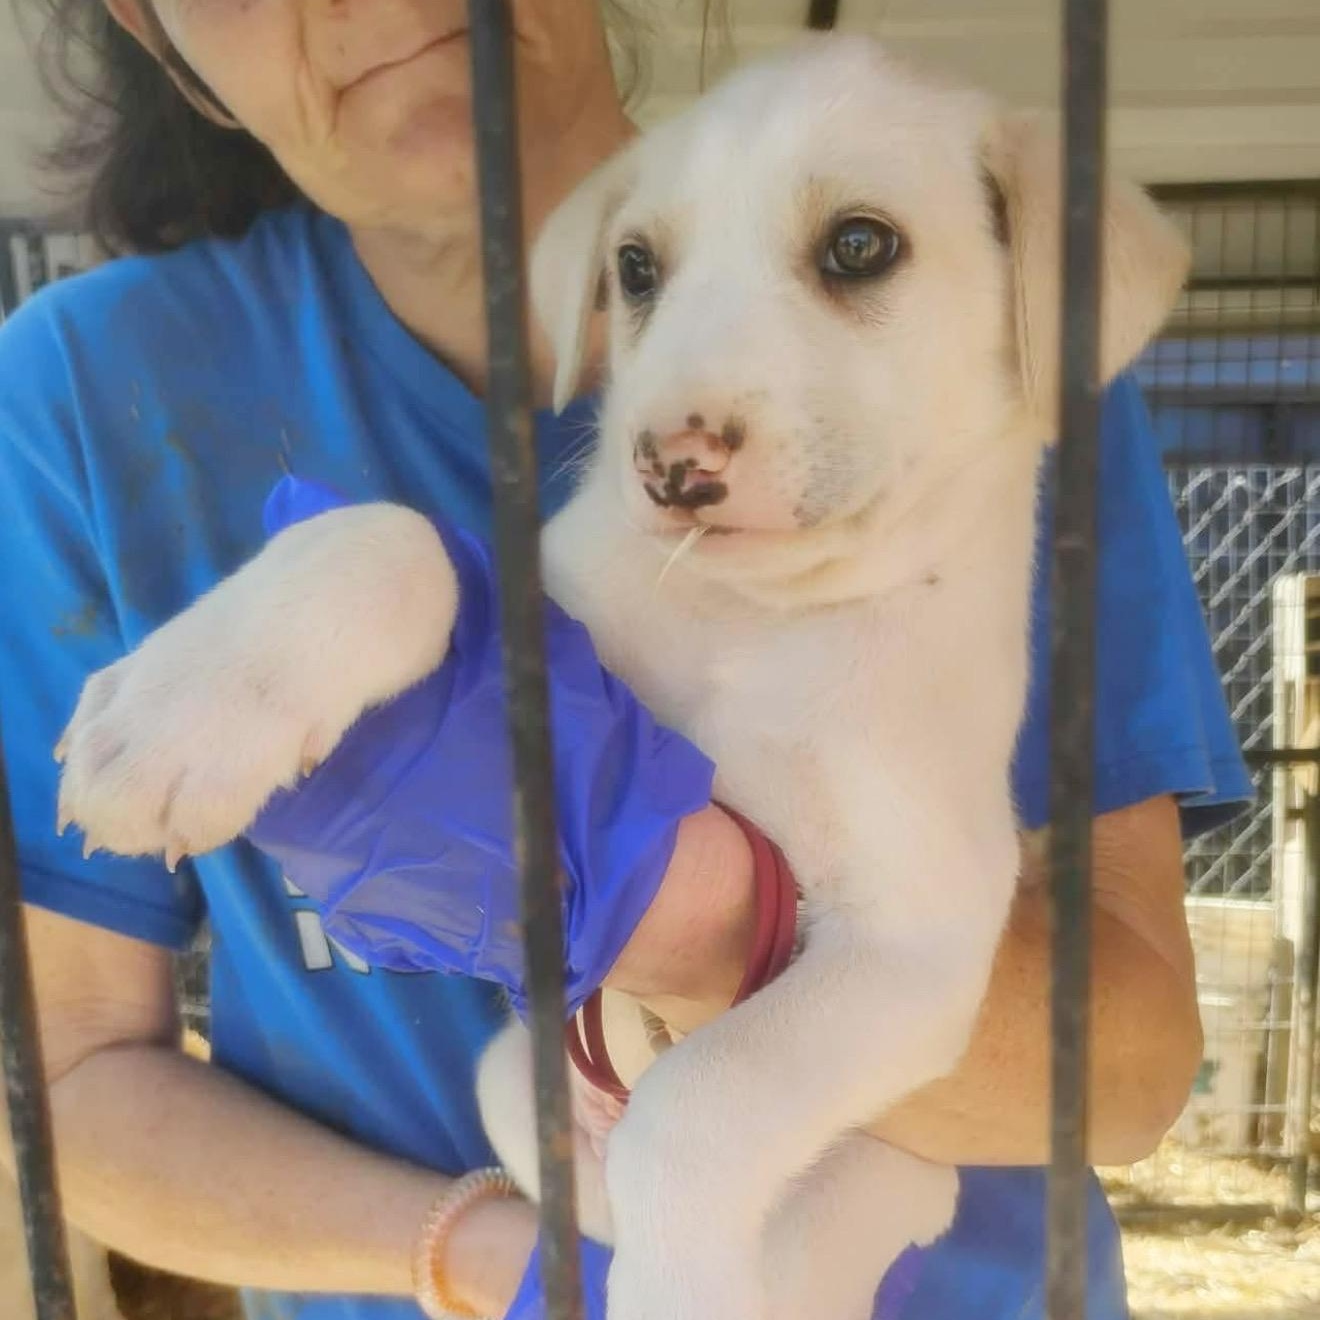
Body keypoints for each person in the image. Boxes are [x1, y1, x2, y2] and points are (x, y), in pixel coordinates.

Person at [0, 3, 1249, 1319]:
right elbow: (71, 1081)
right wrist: (490, 1258)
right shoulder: (81, 399)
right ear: (155, 29)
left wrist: (706, 936)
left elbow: (1129, 1065)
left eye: (857, 253)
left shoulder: (1000, 353)